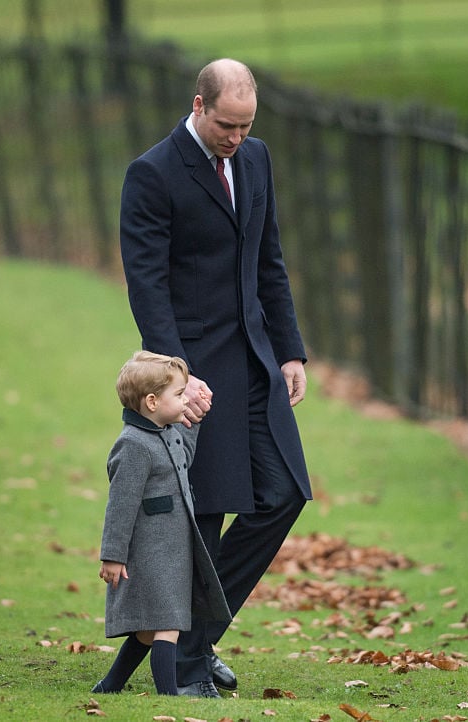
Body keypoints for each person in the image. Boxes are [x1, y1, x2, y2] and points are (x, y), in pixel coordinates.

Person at [119, 58, 311, 697]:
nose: (236, 137)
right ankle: (187, 667)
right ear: (198, 106)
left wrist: (290, 350)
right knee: (203, 515)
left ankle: (192, 639)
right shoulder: (152, 173)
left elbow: (269, 258)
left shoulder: (256, 159)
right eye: (227, 125)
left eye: (246, 126)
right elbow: (147, 284)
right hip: (194, 369)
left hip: (255, 359)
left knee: (283, 494)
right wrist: (178, 377)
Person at [93, 351, 229, 696]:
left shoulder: (164, 432)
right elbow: (120, 506)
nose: (185, 400)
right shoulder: (133, 445)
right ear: (152, 402)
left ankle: (110, 685)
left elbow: (183, 459)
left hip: (172, 552)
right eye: (179, 395)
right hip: (149, 554)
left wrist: (194, 420)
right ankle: (169, 696)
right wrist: (113, 555)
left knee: (146, 632)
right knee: (168, 626)